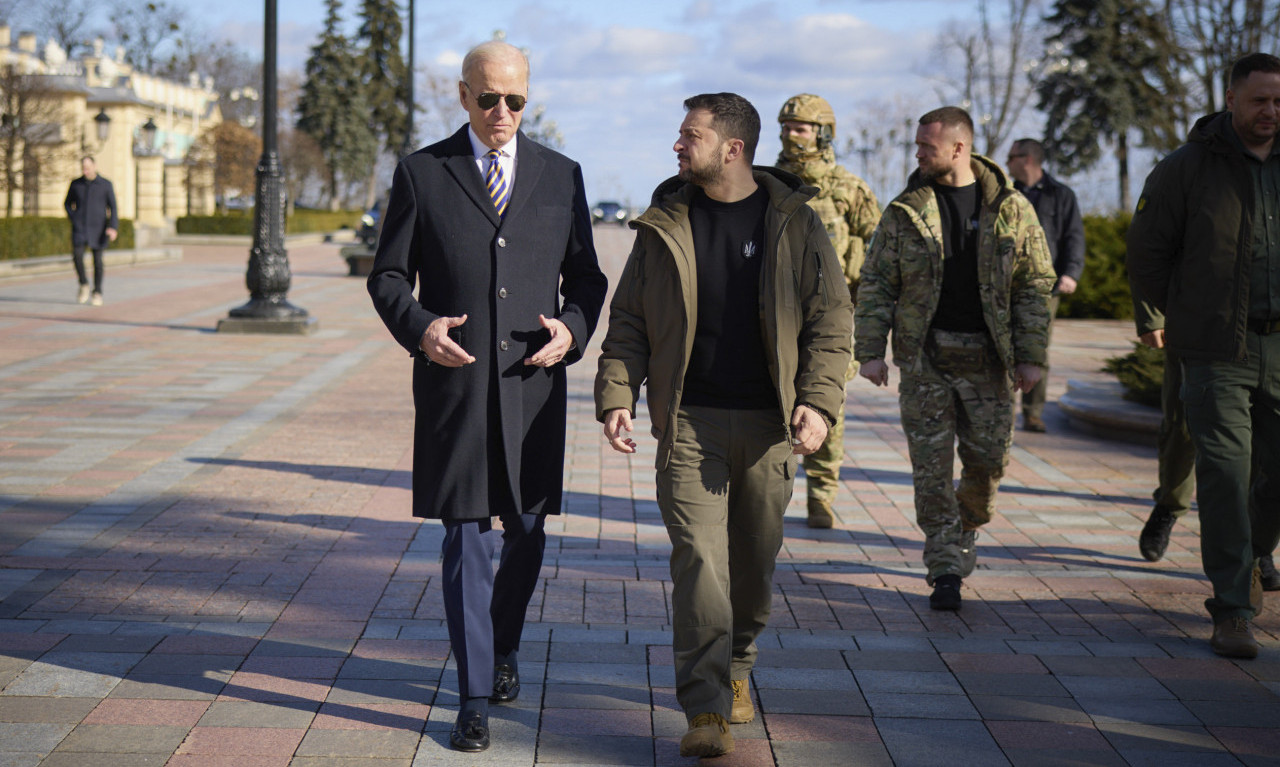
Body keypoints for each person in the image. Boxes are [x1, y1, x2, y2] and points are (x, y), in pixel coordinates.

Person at [366, 41, 607, 751]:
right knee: (466, 535)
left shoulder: (562, 176)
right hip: (458, 387)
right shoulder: (421, 172)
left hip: (533, 389)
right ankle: (472, 694)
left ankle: (502, 645)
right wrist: (419, 327)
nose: (502, 113)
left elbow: (587, 279)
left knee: (527, 530)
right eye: (488, 98)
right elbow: (387, 277)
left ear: (528, 97)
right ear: (463, 94)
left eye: (516, 100)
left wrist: (573, 328)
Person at [595, 93, 851, 758]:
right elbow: (628, 320)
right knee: (700, 559)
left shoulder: (794, 222)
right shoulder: (665, 223)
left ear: (732, 148)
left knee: (754, 563)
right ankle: (704, 705)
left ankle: (740, 658)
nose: (677, 146)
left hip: (771, 425)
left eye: (690, 135)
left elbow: (832, 321)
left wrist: (819, 403)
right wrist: (618, 392)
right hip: (690, 422)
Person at [855, 106, 1054, 612]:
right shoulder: (905, 210)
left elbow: (1034, 284)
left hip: (989, 361)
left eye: (928, 146)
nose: (918, 154)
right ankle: (944, 566)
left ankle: (968, 524)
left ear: (959, 149)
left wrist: (1032, 359)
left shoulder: (1012, 209)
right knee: (931, 470)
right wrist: (870, 351)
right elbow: (877, 280)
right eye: (918, 145)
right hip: (927, 362)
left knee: (987, 466)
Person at [1127, 52, 1280, 659]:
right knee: (1223, 473)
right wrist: (1182, 316)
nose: (1271, 111)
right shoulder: (1186, 168)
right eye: (1259, 100)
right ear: (1231, 98)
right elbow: (1147, 255)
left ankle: (1249, 558)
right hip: (1216, 349)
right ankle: (1233, 610)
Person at [776, 94, 881, 528]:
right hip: (780, 316)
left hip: (830, 320)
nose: (790, 135)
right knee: (775, 406)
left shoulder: (848, 190)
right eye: (786, 127)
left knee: (824, 407)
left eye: (800, 128)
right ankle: (772, 496)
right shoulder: (768, 185)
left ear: (822, 133)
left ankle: (822, 495)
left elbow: (877, 256)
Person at [1007, 138, 1086, 433]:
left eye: (1011, 156)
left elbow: (1074, 236)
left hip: (1044, 288)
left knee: (1036, 348)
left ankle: (1032, 412)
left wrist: (1071, 274)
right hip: (1006, 284)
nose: (1007, 162)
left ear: (1027, 159)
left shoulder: (1061, 195)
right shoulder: (1005, 193)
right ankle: (1002, 408)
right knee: (1002, 346)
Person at [64, 156, 118, 306]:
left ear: (94, 166)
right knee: (77, 256)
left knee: (98, 262)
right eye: (83, 168)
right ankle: (84, 283)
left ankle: (97, 292)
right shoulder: (76, 184)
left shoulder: (105, 185)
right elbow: (67, 203)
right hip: (80, 228)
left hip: (99, 228)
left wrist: (113, 227)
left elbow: (113, 207)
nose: (85, 170)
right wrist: (73, 218)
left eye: (87, 167)